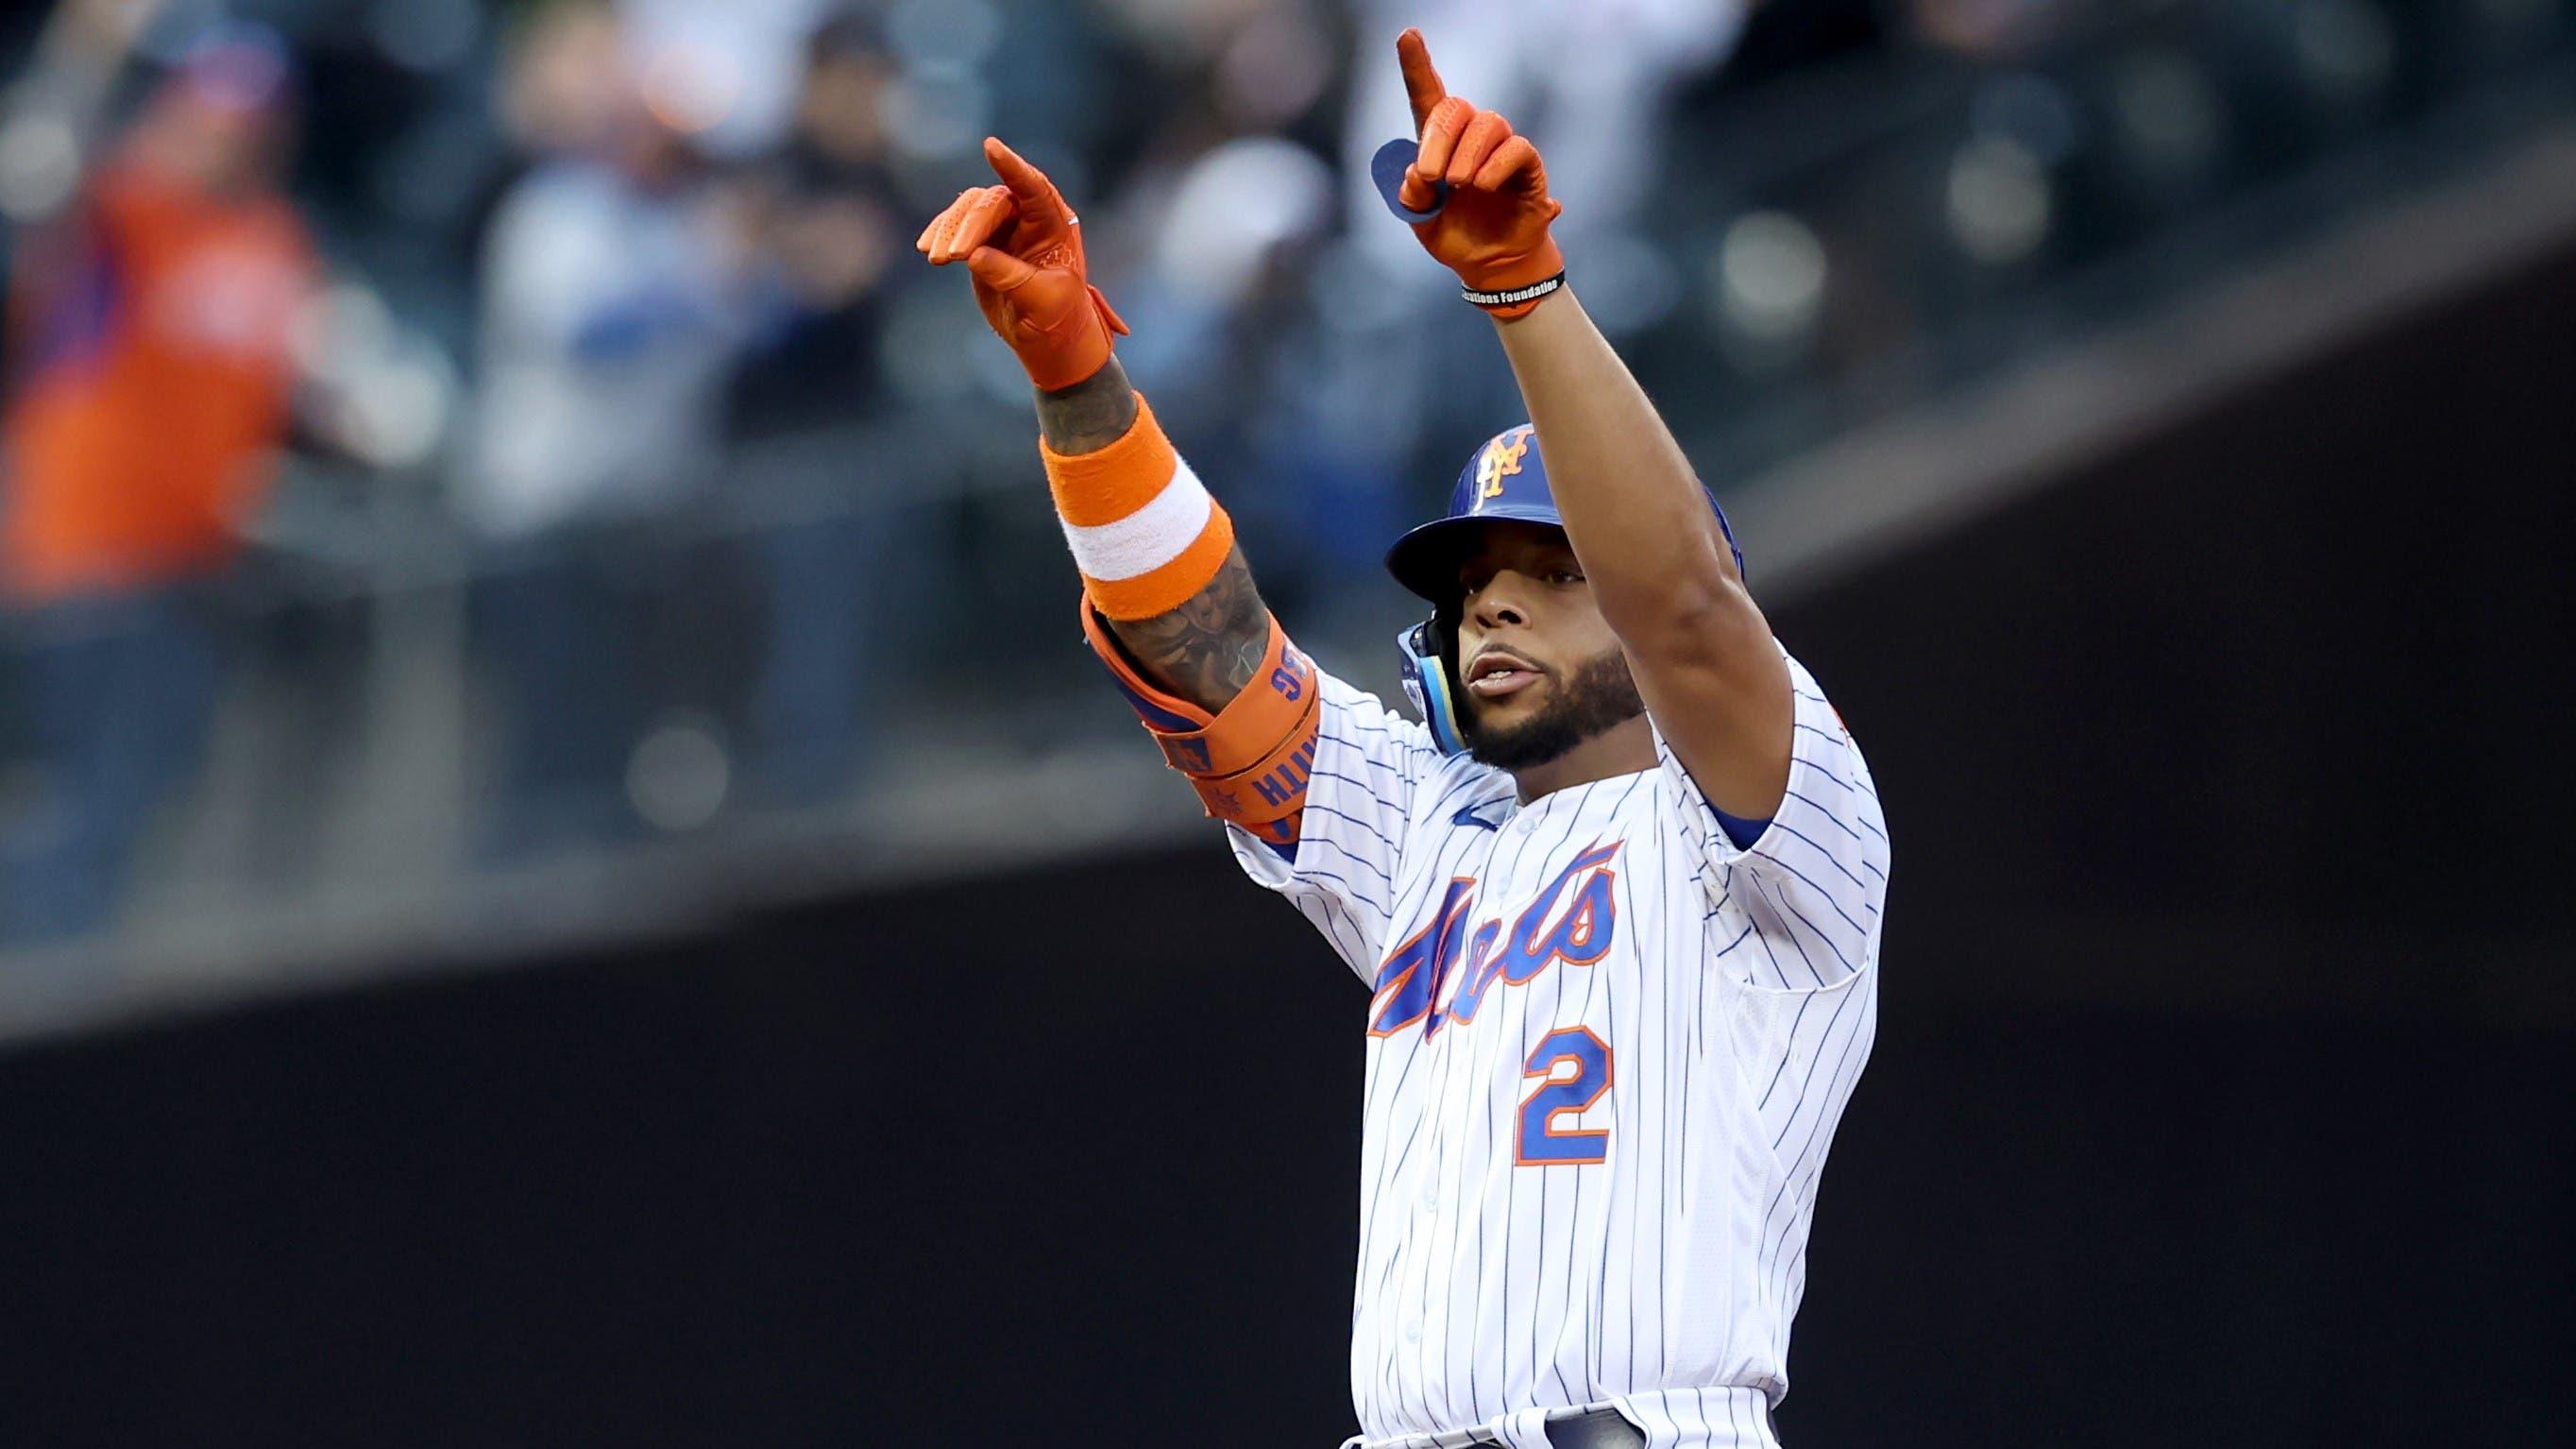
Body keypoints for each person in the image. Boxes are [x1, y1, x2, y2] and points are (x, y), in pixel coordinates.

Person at [917, 27, 1890, 1449]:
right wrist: (1078, 381)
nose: (1494, 607)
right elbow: (1213, 649)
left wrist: (1525, 290)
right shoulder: (1427, 830)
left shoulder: (1777, 822)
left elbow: (1683, 601)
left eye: (1553, 575)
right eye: (1471, 586)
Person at [0, 30, 317, 940]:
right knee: (68, 806)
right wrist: (87, 48)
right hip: (83, 565)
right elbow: (36, 176)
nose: (227, 138)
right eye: (212, 116)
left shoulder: (276, 239)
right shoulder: (120, 214)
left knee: (149, 798)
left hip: (196, 573)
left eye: (249, 122)